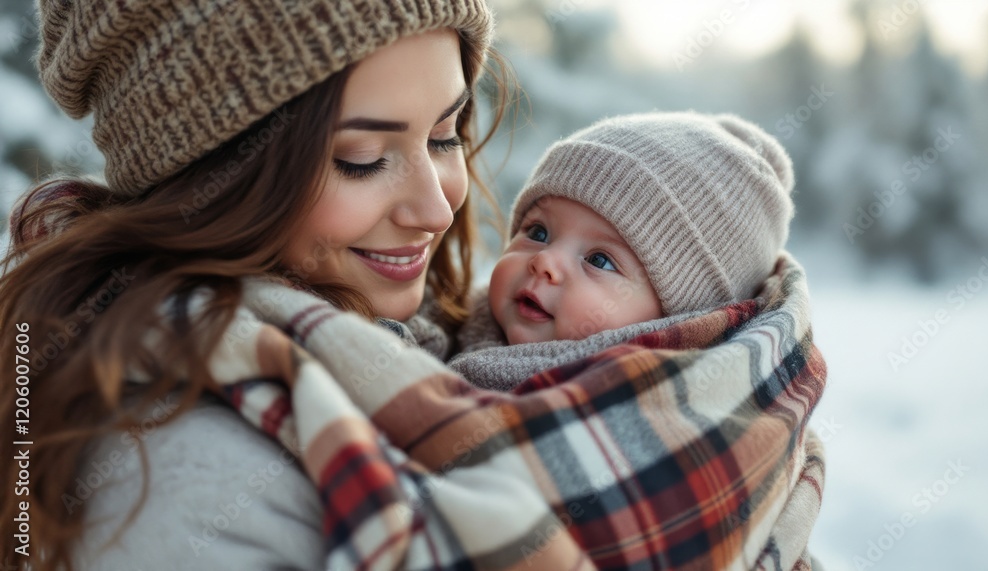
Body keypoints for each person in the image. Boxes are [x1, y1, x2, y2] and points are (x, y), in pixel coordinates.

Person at [0, 1, 827, 570]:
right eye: (362, 159)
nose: (437, 205)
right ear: (215, 176)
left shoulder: (426, 348)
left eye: (444, 135)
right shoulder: (188, 473)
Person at [449, 111, 796, 391]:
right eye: (538, 232)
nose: (545, 261)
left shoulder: (633, 404)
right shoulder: (450, 326)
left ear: (679, 319)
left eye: (599, 260)